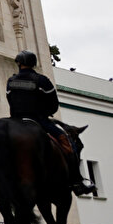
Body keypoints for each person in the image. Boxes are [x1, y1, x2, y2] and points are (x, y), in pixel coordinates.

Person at [6, 50, 95, 195]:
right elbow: (53, 104)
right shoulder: (42, 80)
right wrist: (45, 113)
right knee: (68, 143)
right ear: (33, 64)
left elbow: (10, 100)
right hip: (38, 120)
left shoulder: (11, 81)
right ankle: (76, 181)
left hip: (16, 120)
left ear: (19, 63)